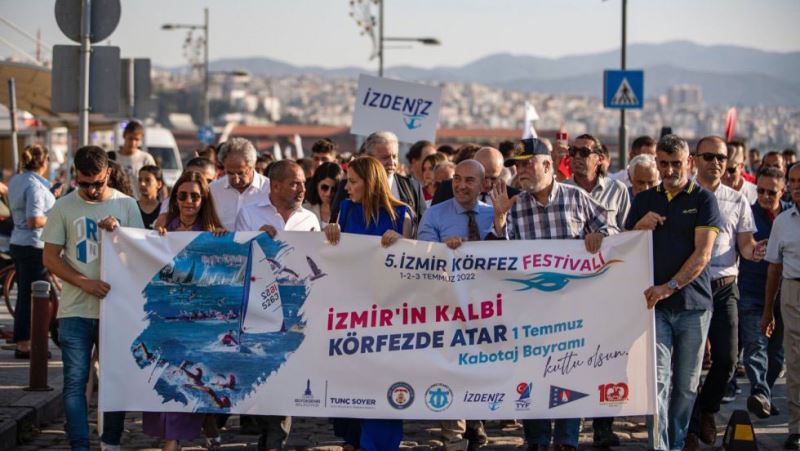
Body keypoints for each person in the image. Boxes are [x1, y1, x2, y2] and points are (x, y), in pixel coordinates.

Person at [493, 137, 607, 451]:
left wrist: (599, 236)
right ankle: (537, 440)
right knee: (532, 376)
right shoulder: (514, 207)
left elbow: (611, 232)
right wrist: (500, 217)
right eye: (517, 165)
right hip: (530, 312)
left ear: (548, 165)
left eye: (528, 163)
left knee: (571, 373)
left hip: (572, 310)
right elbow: (500, 261)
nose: (521, 170)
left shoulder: (576, 198)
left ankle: (567, 440)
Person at [624, 134, 722, 451]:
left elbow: (703, 255)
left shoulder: (704, 200)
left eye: (675, 163)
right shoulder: (643, 200)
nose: (669, 170)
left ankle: (677, 442)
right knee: (658, 381)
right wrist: (638, 229)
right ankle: (660, 447)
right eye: (663, 164)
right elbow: (622, 248)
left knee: (686, 385)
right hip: (656, 307)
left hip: (693, 306)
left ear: (689, 163)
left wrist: (670, 287)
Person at [42, 146, 144, 451]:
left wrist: (120, 234)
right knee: (75, 382)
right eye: (84, 184)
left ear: (108, 174)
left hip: (116, 309)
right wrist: (84, 282)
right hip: (74, 308)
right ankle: (80, 445)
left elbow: (141, 254)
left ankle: (110, 442)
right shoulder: (63, 206)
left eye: (97, 183)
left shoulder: (126, 205)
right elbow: (50, 256)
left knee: (115, 379)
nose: (91, 190)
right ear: (75, 176)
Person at [324, 156, 412, 451]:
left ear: (370, 182)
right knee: (354, 377)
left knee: (384, 377)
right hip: (353, 313)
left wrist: (402, 241)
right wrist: (330, 234)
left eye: (352, 182)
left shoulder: (402, 215)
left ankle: (379, 443)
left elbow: (411, 265)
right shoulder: (346, 210)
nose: (346, 188)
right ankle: (352, 439)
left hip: (389, 312)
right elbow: (335, 254)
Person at [686, 136, 765, 449]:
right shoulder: (686, 194)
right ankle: (691, 429)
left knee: (728, 360)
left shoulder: (737, 199)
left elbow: (744, 245)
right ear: (695, 159)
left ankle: (708, 408)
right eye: (709, 157)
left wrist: (755, 251)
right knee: (689, 362)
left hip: (724, 287)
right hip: (692, 285)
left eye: (721, 158)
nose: (716, 163)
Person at [416, 160, 494, 451]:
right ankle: (454, 436)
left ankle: (476, 422)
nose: (461, 185)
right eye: (457, 179)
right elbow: (420, 257)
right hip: (447, 306)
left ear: (483, 184)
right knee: (451, 369)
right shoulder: (435, 215)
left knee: (479, 369)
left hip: (486, 308)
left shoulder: (493, 216)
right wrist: (441, 251)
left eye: (469, 180)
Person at [148, 170, 224, 450]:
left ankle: (209, 424)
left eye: (195, 196)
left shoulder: (215, 230)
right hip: (167, 319)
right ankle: (172, 442)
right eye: (183, 195)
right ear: (175, 197)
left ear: (204, 199)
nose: (189, 201)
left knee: (198, 381)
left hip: (201, 323)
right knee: (173, 377)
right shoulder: (164, 224)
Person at [737, 167, 790, 419]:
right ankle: (759, 392)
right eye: (760, 190)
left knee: (777, 356)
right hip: (752, 289)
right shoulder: (747, 213)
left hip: (784, 294)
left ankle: (765, 395)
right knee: (755, 346)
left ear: (783, 191)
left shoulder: (792, 214)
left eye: (772, 191)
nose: (765, 196)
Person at [761, 162, 800, 450]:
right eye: (793, 181)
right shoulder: (783, 221)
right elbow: (773, 268)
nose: (796, 186)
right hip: (793, 290)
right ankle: (797, 426)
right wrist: (768, 310)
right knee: (796, 362)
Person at [7, 144, 56, 358]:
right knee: (36, 297)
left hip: (18, 241)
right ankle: (28, 344)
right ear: (44, 162)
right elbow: (35, 219)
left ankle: (23, 340)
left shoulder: (17, 180)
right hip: (33, 244)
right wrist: (55, 217)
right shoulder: (36, 186)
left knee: (25, 296)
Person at [330, 131, 425, 234]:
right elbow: (336, 229)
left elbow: (421, 231)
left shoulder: (411, 188)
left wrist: (401, 241)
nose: (392, 162)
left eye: (395, 156)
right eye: (385, 157)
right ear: (369, 158)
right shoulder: (346, 205)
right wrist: (331, 231)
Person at [565, 136, 630, 235]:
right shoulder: (561, 190)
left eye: (584, 152)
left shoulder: (617, 190)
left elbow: (626, 233)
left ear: (600, 159)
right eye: (573, 151)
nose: (577, 156)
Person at [236, 160, 321, 234]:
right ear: (276, 186)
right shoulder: (248, 214)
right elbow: (238, 250)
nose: (302, 189)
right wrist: (256, 238)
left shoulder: (310, 218)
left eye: (303, 183)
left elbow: (318, 251)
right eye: (295, 184)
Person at [208, 138, 270, 230]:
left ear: (252, 166)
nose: (236, 179)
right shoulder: (213, 189)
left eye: (241, 173)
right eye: (230, 173)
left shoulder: (269, 189)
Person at [433, 147, 519, 207]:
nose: (488, 184)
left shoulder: (512, 196)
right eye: (484, 177)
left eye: (493, 178)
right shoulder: (448, 189)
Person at [113, 120, 155, 198]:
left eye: (136, 139)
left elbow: (154, 183)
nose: (133, 143)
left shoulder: (146, 159)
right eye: (130, 138)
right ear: (124, 136)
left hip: (139, 204)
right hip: (116, 203)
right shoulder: (112, 157)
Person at [303, 161, 342, 226]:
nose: (328, 193)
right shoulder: (304, 210)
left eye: (334, 189)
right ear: (316, 185)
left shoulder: (346, 211)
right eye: (324, 187)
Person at [137, 165, 163, 230]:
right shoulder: (131, 206)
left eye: (147, 180)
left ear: (159, 184)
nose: (142, 184)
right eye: (140, 180)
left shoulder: (164, 210)